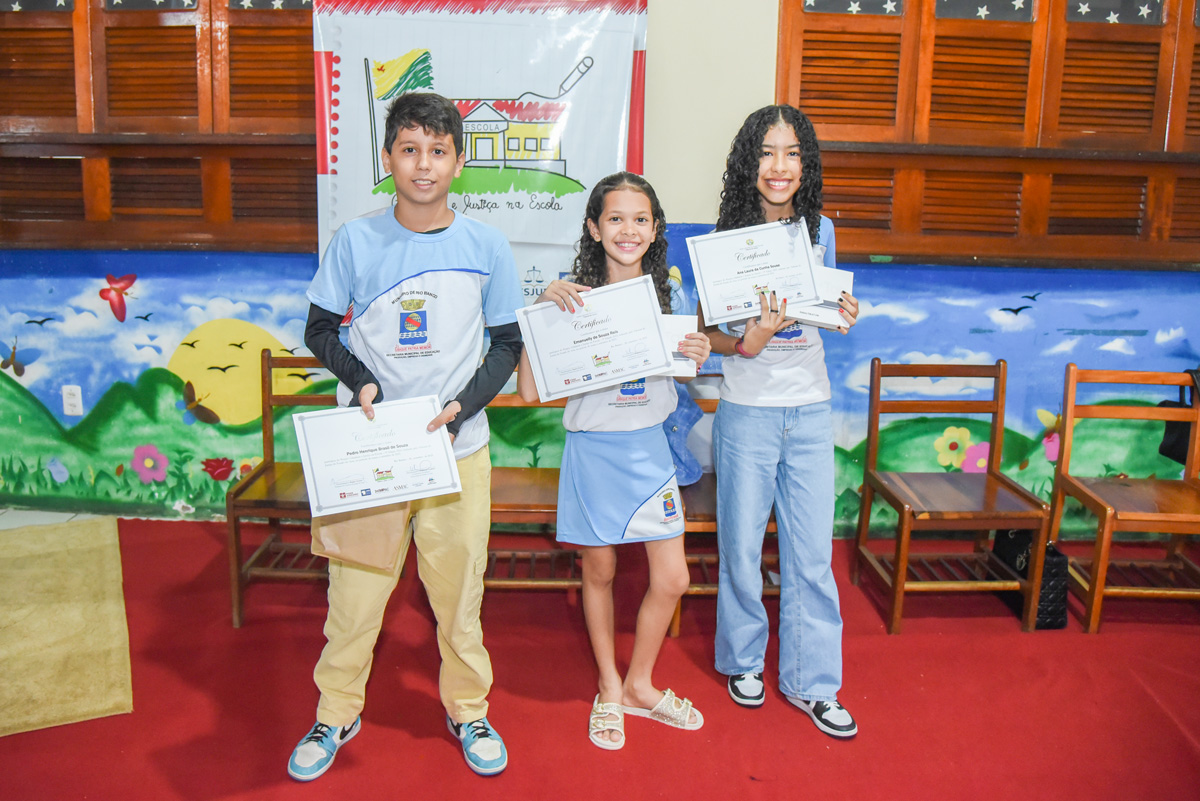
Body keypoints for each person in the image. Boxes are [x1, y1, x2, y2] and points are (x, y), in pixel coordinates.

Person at [287, 92, 523, 780]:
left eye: (439, 150)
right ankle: (335, 711)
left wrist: (461, 405)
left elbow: (506, 344)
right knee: (354, 597)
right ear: (387, 158)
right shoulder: (355, 241)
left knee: (459, 595)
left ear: (460, 160)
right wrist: (360, 381)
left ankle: (468, 705)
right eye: (410, 149)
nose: (424, 165)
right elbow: (319, 328)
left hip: (459, 451)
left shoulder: (486, 246)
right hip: (372, 452)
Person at [516, 172, 712, 750]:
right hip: (593, 453)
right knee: (598, 573)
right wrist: (538, 317)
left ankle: (641, 686)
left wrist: (696, 350)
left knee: (672, 577)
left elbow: (684, 372)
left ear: (655, 229)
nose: (629, 229)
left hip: (652, 450)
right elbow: (529, 392)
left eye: (641, 219)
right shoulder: (570, 298)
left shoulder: (672, 296)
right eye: (616, 218)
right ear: (594, 227)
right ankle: (610, 687)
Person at [699, 104, 861, 738]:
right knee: (740, 549)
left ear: (806, 163)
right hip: (748, 411)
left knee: (812, 556)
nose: (780, 166)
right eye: (767, 152)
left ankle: (812, 682)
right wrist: (753, 335)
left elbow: (821, 307)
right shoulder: (724, 240)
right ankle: (742, 660)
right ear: (749, 162)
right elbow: (710, 333)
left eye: (792, 153)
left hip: (812, 409)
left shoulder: (818, 230)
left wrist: (843, 309)